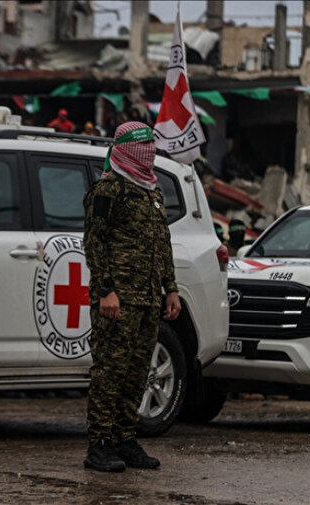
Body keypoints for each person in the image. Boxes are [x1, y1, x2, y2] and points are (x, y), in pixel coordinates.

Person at [82, 121, 180, 472]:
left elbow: (162, 245)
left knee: (138, 373)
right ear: (125, 150)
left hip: (148, 298)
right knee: (110, 371)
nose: (150, 154)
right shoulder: (109, 189)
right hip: (118, 300)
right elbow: (94, 242)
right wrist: (107, 290)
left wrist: (170, 289)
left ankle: (125, 438)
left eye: (152, 147)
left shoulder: (152, 191)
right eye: (143, 149)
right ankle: (100, 445)